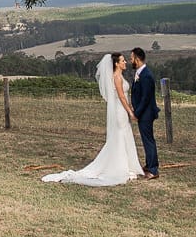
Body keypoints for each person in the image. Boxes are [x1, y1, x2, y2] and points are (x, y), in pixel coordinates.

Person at [41, 53, 143, 186]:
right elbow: (122, 97)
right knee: (119, 137)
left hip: (122, 109)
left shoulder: (120, 76)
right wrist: (130, 111)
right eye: (123, 61)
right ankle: (120, 167)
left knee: (124, 136)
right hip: (120, 110)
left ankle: (126, 165)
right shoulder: (117, 77)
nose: (125, 63)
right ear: (116, 64)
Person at [130, 46, 160, 179]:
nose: (130, 61)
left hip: (146, 113)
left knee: (148, 141)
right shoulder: (140, 73)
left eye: (131, 58)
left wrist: (137, 112)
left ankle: (153, 169)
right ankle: (149, 164)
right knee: (146, 139)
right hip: (144, 113)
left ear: (137, 59)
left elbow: (146, 98)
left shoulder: (146, 75)